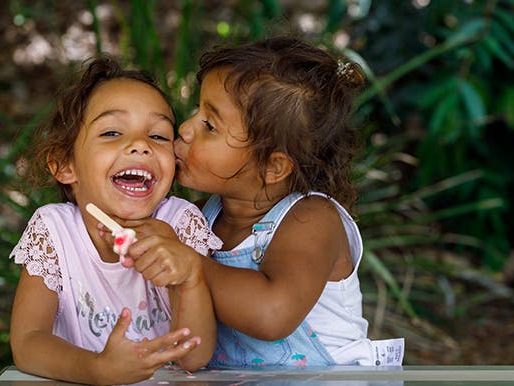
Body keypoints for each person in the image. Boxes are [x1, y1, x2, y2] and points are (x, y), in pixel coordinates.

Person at [173, 36, 405, 367]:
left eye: (209, 125)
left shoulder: (311, 219)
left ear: (273, 166)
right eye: (196, 112)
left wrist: (186, 262)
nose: (184, 128)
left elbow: (272, 314)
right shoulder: (201, 218)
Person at [9, 56, 221, 384]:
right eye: (111, 132)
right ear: (66, 165)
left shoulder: (181, 224)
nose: (140, 145)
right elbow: (27, 343)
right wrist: (97, 369)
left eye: (159, 136)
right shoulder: (55, 232)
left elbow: (195, 355)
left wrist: (190, 275)